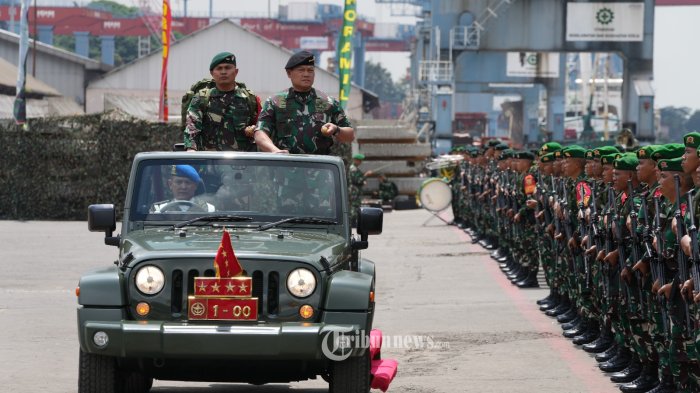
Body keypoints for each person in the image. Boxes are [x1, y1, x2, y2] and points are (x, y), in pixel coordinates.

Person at [254, 50, 355, 154]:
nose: (306, 74)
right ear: (289, 73)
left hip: (319, 166)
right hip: (284, 165)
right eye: (301, 70)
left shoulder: (328, 102)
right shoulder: (276, 102)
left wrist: (336, 129)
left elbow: (350, 135)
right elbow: (260, 133)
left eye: (310, 70)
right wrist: (275, 151)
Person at [183, 52, 261, 152]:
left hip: (241, 162)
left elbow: (262, 128)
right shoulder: (201, 98)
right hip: (209, 162)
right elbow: (192, 128)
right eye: (219, 68)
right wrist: (191, 150)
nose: (223, 72)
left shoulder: (250, 98)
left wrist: (254, 129)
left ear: (236, 71)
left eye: (228, 68)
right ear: (212, 73)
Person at [151, 165, 215, 213]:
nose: (183, 187)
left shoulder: (208, 209)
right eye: (179, 182)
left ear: (195, 186)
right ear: (170, 184)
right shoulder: (159, 210)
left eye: (188, 182)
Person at [349, 153, 372, 225]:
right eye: (359, 160)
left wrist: (363, 181)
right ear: (355, 160)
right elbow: (356, 180)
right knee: (354, 206)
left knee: (356, 205)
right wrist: (366, 175)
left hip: (356, 191)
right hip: (354, 191)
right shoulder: (353, 169)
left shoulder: (355, 168)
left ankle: (353, 221)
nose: (361, 162)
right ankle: (352, 222)